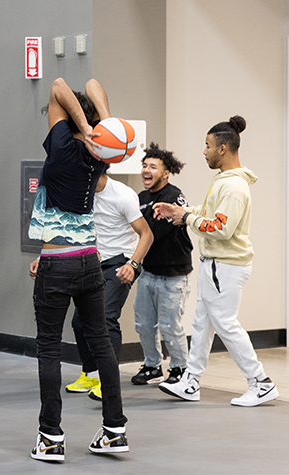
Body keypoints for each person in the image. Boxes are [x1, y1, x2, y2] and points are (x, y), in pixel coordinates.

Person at [27, 77, 128, 462]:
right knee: (101, 342)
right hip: (90, 260)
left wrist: (84, 128)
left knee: (49, 349)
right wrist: (101, 127)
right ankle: (114, 430)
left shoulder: (64, 147)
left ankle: (50, 438)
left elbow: (57, 84)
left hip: (58, 263)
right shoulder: (101, 152)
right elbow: (92, 83)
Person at [156, 116, 279, 407]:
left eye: (208, 146)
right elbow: (211, 213)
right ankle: (191, 382)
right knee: (202, 323)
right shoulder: (224, 181)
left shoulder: (235, 187)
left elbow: (221, 228)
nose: (204, 151)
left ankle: (260, 382)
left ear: (223, 149)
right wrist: (182, 210)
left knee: (225, 322)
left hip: (226, 265)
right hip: (215, 264)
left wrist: (186, 218)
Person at [62, 163, 153, 401]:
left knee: (105, 316)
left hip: (119, 263)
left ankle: (109, 381)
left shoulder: (122, 195)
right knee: (80, 322)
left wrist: (132, 264)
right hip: (93, 262)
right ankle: (91, 374)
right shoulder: (81, 194)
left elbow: (147, 234)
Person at [130, 143, 193, 386]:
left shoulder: (173, 196)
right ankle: (152, 365)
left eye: (153, 167)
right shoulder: (142, 198)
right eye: (144, 166)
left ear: (166, 173)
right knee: (144, 323)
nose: (146, 170)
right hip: (148, 272)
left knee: (169, 326)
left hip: (173, 274)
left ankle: (179, 368)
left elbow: (154, 231)